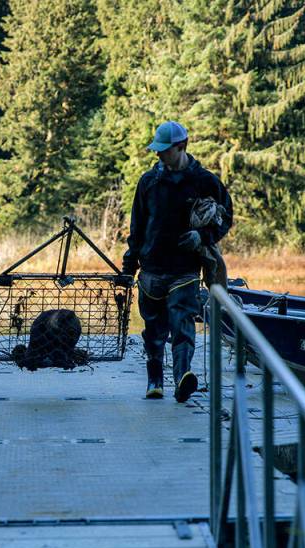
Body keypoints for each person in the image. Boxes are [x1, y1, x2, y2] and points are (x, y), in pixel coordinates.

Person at [122, 120, 233, 402]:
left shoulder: (205, 182)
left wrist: (202, 236)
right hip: (150, 272)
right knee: (154, 331)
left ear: (181, 146)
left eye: (164, 150)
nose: (158, 155)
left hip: (185, 270)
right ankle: (154, 382)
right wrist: (128, 266)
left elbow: (225, 218)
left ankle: (183, 376)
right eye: (157, 150)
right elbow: (137, 228)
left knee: (183, 324)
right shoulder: (148, 182)